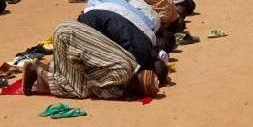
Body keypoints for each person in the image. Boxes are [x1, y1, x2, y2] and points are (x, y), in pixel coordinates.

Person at [23, 21, 159, 99]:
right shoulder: (123, 73)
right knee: (79, 90)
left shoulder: (132, 61)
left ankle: (51, 67)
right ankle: (36, 72)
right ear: (137, 86)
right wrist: (119, 94)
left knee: (77, 76)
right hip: (67, 38)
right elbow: (94, 84)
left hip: (72, 30)